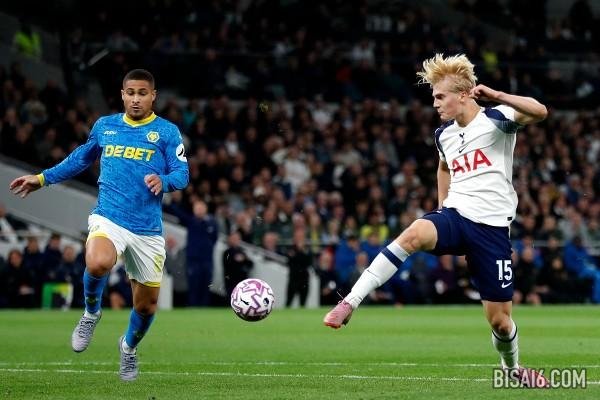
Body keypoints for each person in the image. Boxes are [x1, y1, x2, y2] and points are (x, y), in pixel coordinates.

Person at [323, 54, 550, 387]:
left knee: (501, 323)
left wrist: (497, 95)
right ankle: (350, 301)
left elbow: (540, 111)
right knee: (414, 233)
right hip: (456, 217)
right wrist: (443, 206)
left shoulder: (497, 118)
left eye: (440, 96)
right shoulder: (443, 134)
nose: (435, 103)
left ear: (464, 94)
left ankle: (512, 369)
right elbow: (444, 167)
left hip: (492, 231)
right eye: (434, 97)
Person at [9, 69, 189, 381]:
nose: (135, 99)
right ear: (122, 95)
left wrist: (164, 180)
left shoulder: (166, 132)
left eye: (142, 93)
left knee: (146, 307)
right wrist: (42, 178)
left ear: (153, 96)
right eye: (130, 93)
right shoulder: (105, 126)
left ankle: (128, 347)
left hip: (147, 229)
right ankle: (91, 313)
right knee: (97, 262)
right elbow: (81, 158)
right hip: (109, 216)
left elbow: (182, 174)